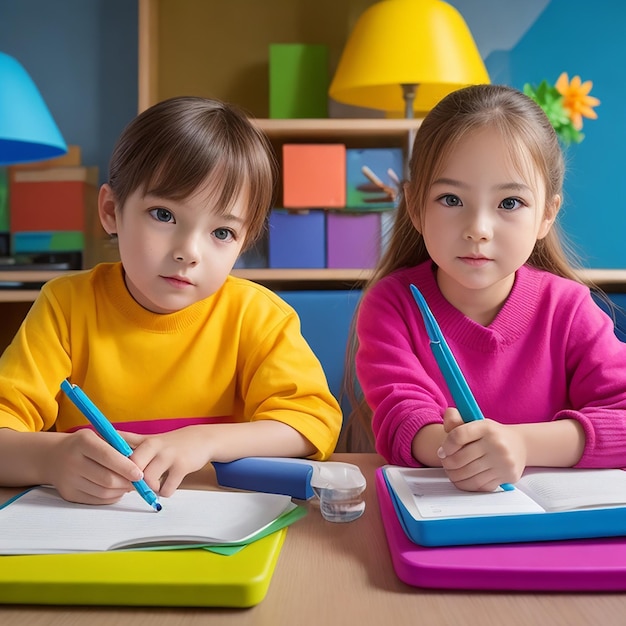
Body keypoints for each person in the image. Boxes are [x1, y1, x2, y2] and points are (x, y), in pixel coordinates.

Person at [0, 96, 342, 505]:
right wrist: (51, 460)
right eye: (164, 215)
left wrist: (204, 441)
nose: (189, 252)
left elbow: (312, 423)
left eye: (222, 233)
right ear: (111, 211)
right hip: (88, 534)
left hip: (216, 531)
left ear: (243, 243)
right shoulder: (65, 306)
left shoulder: (257, 315)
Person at [353, 84, 626, 492]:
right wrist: (463, 452)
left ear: (547, 215)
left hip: (554, 534)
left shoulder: (568, 307)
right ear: (414, 206)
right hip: (442, 516)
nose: (478, 229)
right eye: (450, 199)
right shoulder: (392, 304)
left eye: (510, 203)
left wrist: (521, 445)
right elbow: (402, 420)